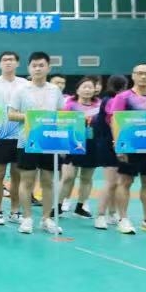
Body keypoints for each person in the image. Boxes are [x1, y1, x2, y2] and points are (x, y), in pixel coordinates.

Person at [107, 64, 146, 235]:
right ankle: (123, 219)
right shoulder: (123, 97)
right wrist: (119, 146)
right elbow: (115, 121)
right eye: (140, 73)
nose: (143, 77)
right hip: (129, 146)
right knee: (125, 181)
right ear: (133, 76)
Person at [7, 52, 66, 235]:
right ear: (29, 68)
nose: (38, 69)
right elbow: (11, 114)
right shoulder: (20, 90)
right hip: (27, 141)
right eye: (34, 65)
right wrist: (31, 117)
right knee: (27, 180)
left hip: (50, 141)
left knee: (48, 181)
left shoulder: (55, 90)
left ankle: (46, 219)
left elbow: (61, 114)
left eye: (41, 65)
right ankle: (27, 218)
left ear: (48, 68)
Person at [0, 51, 29, 225]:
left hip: (21, 136)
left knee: (17, 175)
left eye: (11, 60)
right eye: (4, 60)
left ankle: (15, 211)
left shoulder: (25, 84)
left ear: (17, 63)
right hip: (0, 136)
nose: (8, 62)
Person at [59, 77, 101, 218]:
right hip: (72, 144)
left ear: (94, 90)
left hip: (92, 145)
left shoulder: (99, 106)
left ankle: (80, 206)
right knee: (67, 177)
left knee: (86, 178)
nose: (87, 90)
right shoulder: (69, 105)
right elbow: (62, 125)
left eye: (90, 87)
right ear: (77, 90)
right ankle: (58, 206)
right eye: (84, 87)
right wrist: (63, 146)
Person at [93, 75, 128, 229]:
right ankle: (100, 215)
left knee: (117, 182)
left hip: (119, 144)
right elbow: (115, 121)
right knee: (111, 182)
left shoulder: (112, 99)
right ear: (125, 86)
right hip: (108, 144)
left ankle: (112, 213)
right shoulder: (110, 101)